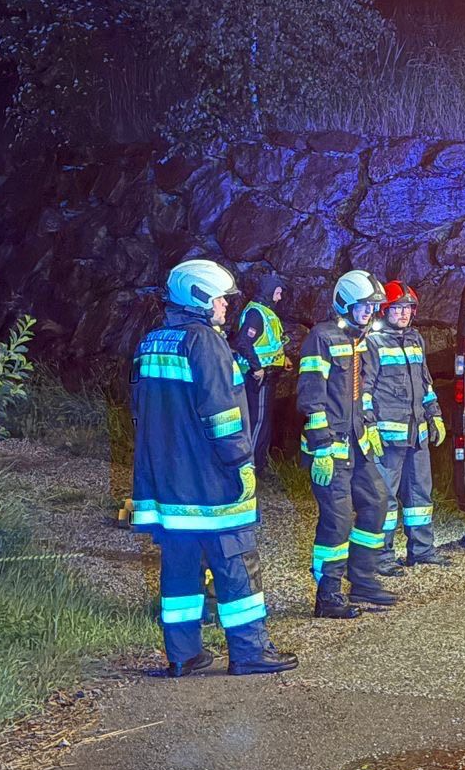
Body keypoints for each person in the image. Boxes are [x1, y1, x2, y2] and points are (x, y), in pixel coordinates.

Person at [130, 259, 296, 677]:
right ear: (200, 298)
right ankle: (250, 651)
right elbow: (222, 415)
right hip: (210, 481)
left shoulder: (151, 342)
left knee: (180, 566)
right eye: (220, 298)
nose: (225, 305)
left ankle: (184, 654)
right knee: (235, 561)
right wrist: (240, 463)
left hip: (167, 482)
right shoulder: (205, 342)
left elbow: (139, 410)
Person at [297, 269, 396, 617]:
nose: (370, 313)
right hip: (330, 449)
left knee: (377, 502)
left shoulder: (361, 340)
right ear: (344, 305)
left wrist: (368, 426)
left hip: (358, 443)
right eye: (363, 307)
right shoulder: (321, 339)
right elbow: (311, 397)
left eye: (372, 307)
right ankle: (328, 594)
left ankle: (363, 580)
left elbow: (362, 392)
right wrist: (321, 446)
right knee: (337, 520)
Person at [370, 281, 450, 568]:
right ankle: (381, 557)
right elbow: (364, 391)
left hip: (417, 434)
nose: (404, 314)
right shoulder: (373, 342)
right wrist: (369, 427)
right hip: (388, 437)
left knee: (420, 495)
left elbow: (425, 383)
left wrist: (435, 415)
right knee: (385, 499)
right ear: (384, 310)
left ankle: (422, 551)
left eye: (407, 308)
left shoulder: (415, 339)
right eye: (397, 308)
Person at [229, 269, 290, 477]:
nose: (280, 296)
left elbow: (269, 344)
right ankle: (250, 468)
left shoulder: (264, 311)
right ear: (270, 290)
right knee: (257, 421)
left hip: (267, 375)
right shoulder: (256, 313)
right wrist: (257, 367)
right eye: (278, 292)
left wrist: (283, 359)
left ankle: (260, 466)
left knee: (263, 422)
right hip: (257, 378)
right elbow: (243, 342)